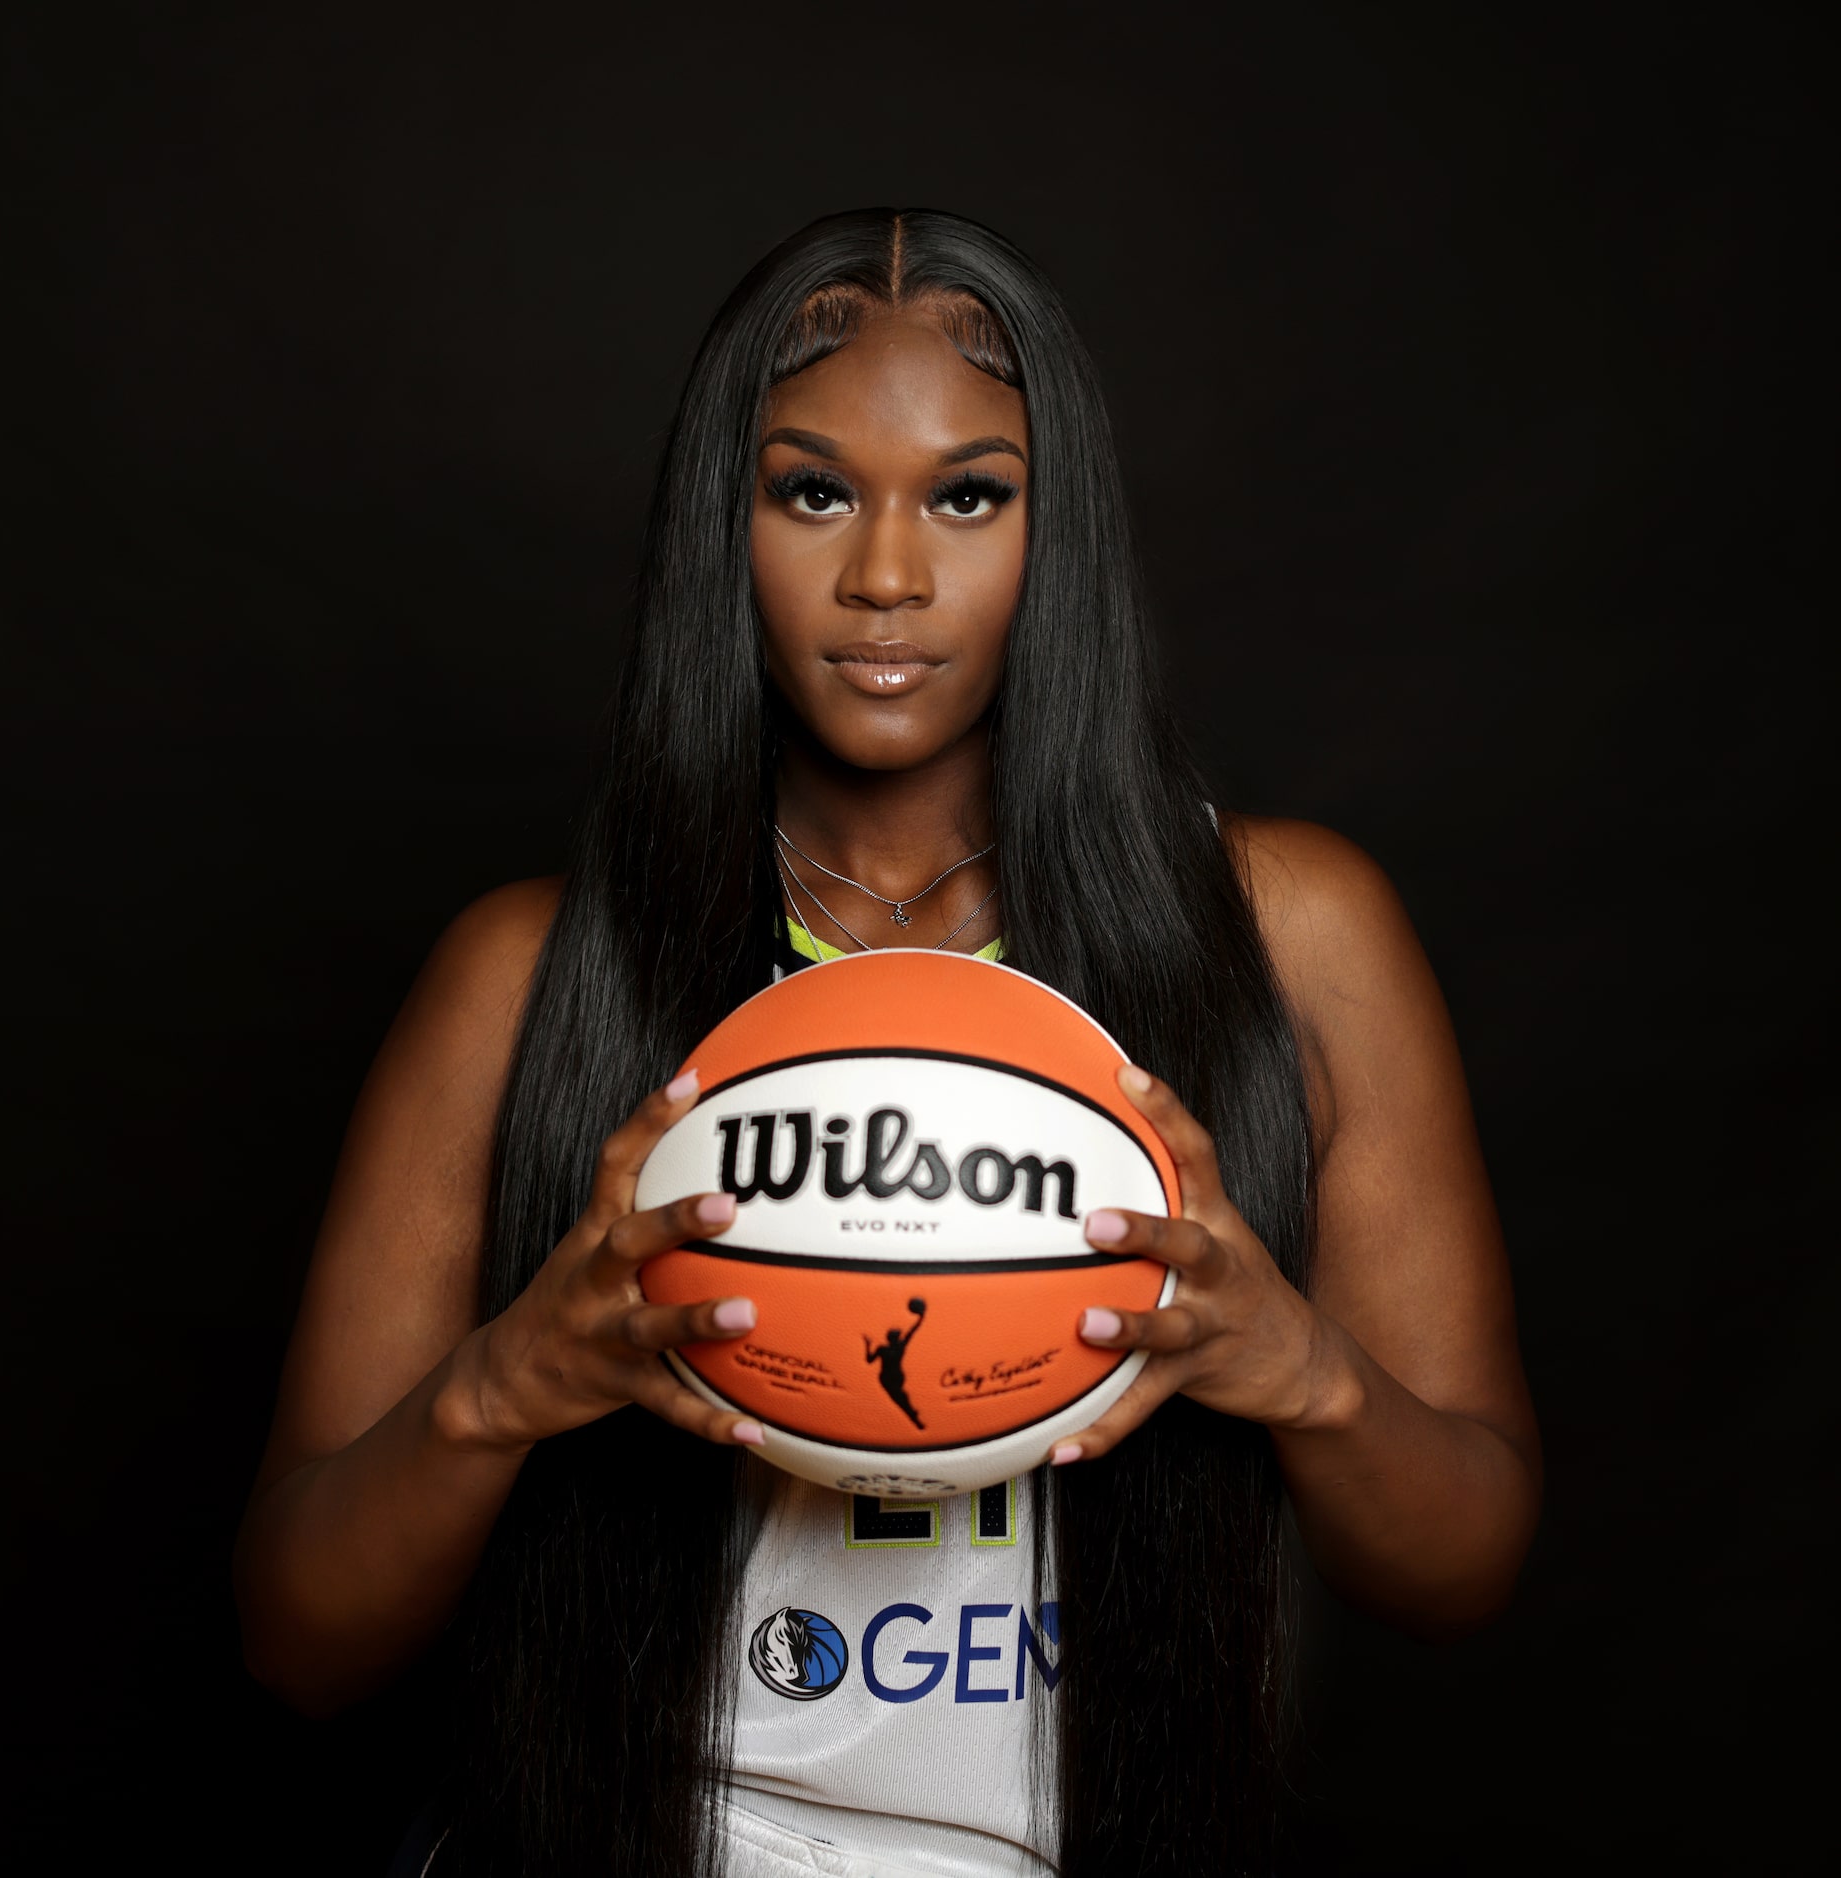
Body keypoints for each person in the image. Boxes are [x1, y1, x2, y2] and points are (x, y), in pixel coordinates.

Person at [234, 208, 1540, 1878]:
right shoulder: (530, 971)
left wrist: (1304, 1371)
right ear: (730, 519)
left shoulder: (1288, 934)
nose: (887, 577)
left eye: (970, 495)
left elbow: (1464, 1567)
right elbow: (296, 1636)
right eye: (813, 490)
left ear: (1055, 530)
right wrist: (506, 1386)